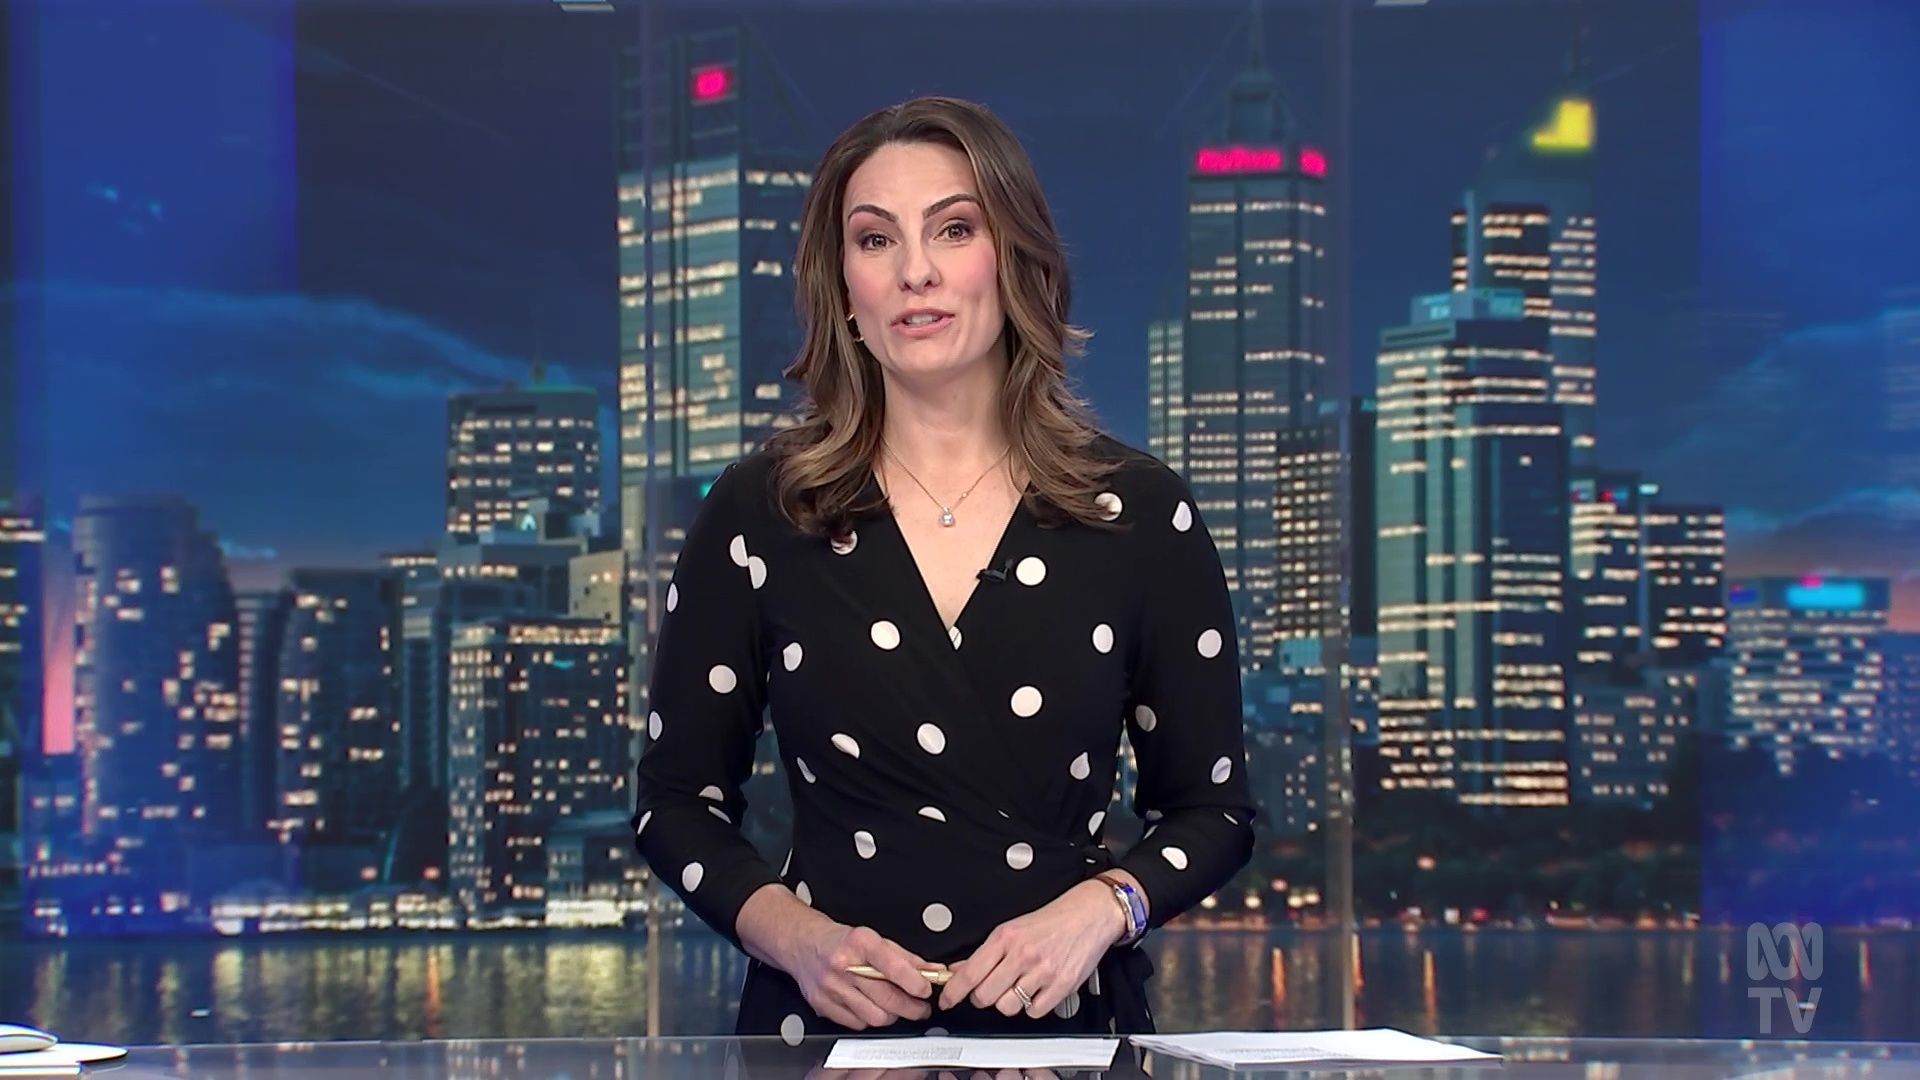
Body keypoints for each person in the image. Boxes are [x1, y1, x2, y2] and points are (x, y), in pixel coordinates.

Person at [631, 95, 1256, 1042]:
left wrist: (1101, 912)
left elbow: (1213, 812)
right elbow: (675, 805)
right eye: (875, 239)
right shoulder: (762, 511)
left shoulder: (1136, 514)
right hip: (827, 1039)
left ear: (1015, 258)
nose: (915, 270)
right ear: (844, 286)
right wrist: (800, 942)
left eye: (954, 229)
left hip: (1064, 1038)